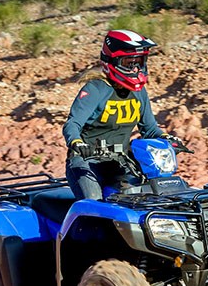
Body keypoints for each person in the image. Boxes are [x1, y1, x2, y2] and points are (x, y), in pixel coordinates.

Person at [63, 29, 180, 200]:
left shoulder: (139, 92)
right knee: (95, 205)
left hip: (120, 163)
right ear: (111, 61)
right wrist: (77, 144)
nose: (134, 69)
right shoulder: (96, 89)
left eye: (138, 62)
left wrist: (168, 138)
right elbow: (72, 124)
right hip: (87, 163)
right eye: (128, 63)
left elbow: (149, 129)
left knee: (145, 199)